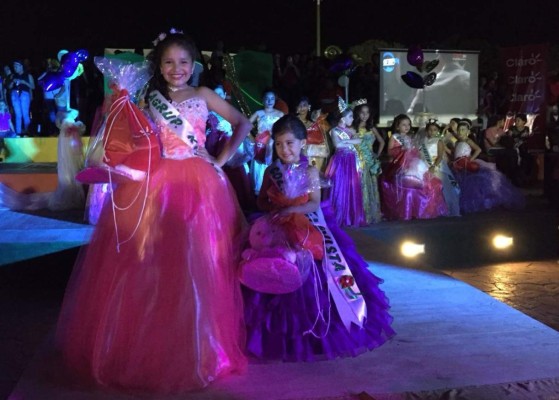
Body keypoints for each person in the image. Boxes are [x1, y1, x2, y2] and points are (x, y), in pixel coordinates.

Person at [53, 30, 252, 394]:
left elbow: (243, 123)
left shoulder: (204, 95)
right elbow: (133, 137)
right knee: (151, 263)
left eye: (184, 62)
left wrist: (220, 158)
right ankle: (151, 340)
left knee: (198, 264)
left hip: (198, 184)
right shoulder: (148, 98)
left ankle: (200, 347)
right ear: (159, 66)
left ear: (195, 65)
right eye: (169, 62)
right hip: (157, 184)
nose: (177, 69)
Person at [242, 114, 395, 362]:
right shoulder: (272, 170)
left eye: (290, 143)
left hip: (307, 230)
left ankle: (319, 332)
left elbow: (313, 204)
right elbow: (260, 199)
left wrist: (291, 209)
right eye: (279, 144)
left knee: (316, 280)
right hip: (276, 228)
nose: (284, 149)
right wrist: (273, 209)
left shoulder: (311, 171)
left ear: (303, 142)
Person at [379, 113, 448, 221]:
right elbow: (389, 152)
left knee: (422, 181)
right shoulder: (394, 137)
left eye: (408, 125)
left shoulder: (409, 138)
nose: (407, 127)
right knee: (405, 184)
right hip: (399, 165)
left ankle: (417, 210)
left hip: (410, 164)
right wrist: (402, 149)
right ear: (397, 126)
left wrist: (414, 152)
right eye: (403, 125)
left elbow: (414, 152)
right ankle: (404, 211)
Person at [451, 119, 525, 214]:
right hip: (458, 165)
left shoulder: (468, 141)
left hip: (466, 164)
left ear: (468, 132)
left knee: (470, 184)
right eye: (459, 130)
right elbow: (455, 153)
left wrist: (471, 159)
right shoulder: (457, 142)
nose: (460, 132)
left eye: (463, 130)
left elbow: (478, 149)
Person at [206, 84, 256, 211]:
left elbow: (242, 128)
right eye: (214, 93)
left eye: (220, 94)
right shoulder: (207, 113)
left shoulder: (230, 112)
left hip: (229, 151)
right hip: (212, 148)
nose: (217, 96)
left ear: (224, 95)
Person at [324, 97, 366, 227]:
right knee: (340, 187)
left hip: (351, 160)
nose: (353, 119)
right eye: (350, 117)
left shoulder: (351, 130)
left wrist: (346, 142)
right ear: (342, 118)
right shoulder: (334, 130)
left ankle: (350, 215)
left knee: (351, 187)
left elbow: (359, 141)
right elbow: (337, 145)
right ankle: (338, 215)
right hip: (340, 162)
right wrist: (349, 142)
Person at [419, 119, 461, 216]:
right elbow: (421, 154)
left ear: (438, 131)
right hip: (425, 165)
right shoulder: (423, 141)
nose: (432, 132)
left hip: (437, 165)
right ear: (426, 131)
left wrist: (434, 166)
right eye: (430, 130)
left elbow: (440, 156)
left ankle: (445, 208)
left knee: (443, 188)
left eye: (434, 130)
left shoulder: (439, 141)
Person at [352, 100, 384, 224]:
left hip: (370, 161)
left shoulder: (371, 128)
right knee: (360, 186)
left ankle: (370, 214)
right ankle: (360, 214)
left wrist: (377, 155)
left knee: (370, 186)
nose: (365, 115)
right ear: (357, 114)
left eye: (367, 113)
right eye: (362, 113)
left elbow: (382, 141)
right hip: (358, 162)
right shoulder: (353, 128)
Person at [248, 88, 284, 195]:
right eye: (267, 98)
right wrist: (252, 139)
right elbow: (246, 125)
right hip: (261, 146)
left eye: (272, 98)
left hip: (275, 146)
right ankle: (258, 194)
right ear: (263, 100)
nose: (269, 101)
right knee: (260, 170)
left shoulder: (280, 114)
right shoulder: (259, 113)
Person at [296, 96, 331, 173]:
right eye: (300, 105)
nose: (302, 107)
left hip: (313, 155)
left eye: (304, 105)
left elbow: (324, 136)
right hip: (299, 155)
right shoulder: (293, 122)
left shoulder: (313, 123)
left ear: (309, 107)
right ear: (296, 107)